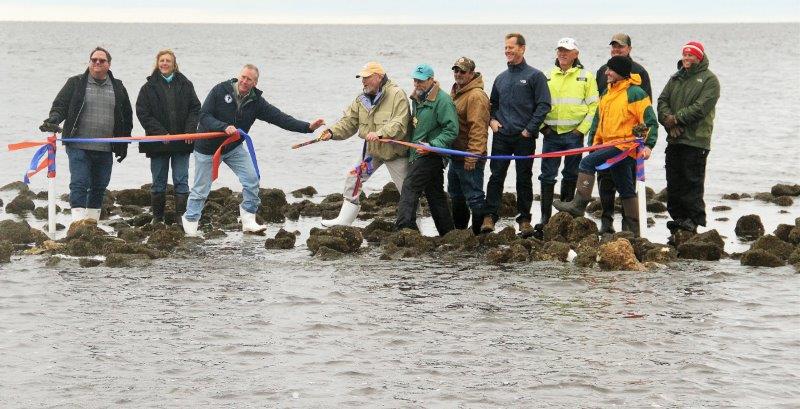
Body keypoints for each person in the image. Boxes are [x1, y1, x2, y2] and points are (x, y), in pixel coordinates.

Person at [182, 64, 325, 236]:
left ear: (255, 83)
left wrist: (308, 127)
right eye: (243, 77)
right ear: (238, 76)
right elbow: (204, 116)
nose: (244, 81)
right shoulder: (220, 90)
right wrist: (223, 126)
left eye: (249, 79)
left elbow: (280, 118)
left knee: (252, 179)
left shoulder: (256, 102)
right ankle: (190, 220)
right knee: (201, 188)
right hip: (208, 148)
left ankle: (248, 219)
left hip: (233, 147)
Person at [553, 56, 657, 238]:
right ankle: (635, 232)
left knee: (586, 163)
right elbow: (599, 123)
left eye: (611, 70)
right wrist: (595, 145)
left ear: (621, 72)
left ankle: (578, 204)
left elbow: (650, 121)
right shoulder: (606, 94)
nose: (607, 73)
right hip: (608, 145)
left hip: (624, 147)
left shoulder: (636, 93)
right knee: (625, 188)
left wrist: (648, 145)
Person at [39, 46, 132, 223]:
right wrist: (53, 120)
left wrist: (123, 145)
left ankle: (91, 224)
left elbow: (126, 117)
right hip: (77, 144)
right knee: (79, 183)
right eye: (94, 60)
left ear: (109, 64)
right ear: (89, 62)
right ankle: (77, 223)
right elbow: (60, 106)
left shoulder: (118, 86)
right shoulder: (75, 83)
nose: (97, 62)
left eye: (102, 60)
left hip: (106, 147)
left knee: (100, 185)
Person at [318, 61, 411, 226]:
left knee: (408, 190)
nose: (363, 81)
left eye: (366, 77)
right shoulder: (361, 99)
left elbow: (400, 123)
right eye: (362, 78)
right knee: (354, 177)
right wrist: (332, 132)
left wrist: (381, 133)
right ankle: (343, 222)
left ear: (378, 77)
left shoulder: (397, 94)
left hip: (395, 152)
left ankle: (415, 225)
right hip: (372, 152)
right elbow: (349, 122)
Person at [484, 33, 552, 236]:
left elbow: (544, 105)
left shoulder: (535, 76)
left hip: (524, 137)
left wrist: (529, 129)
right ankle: (490, 217)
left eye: (511, 47)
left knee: (524, 178)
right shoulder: (501, 78)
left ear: (522, 48)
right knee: (496, 176)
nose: (507, 51)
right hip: (502, 136)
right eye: (506, 47)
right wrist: (492, 121)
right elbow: (492, 104)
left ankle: (524, 219)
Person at [534, 37, 599, 239]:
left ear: (575, 54)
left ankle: (565, 216)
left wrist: (581, 130)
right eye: (560, 50)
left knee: (571, 175)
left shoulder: (586, 77)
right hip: (551, 134)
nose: (562, 54)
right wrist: (543, 128)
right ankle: (545, 218)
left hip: (574, 135)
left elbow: (594, 107)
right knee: (547, 176)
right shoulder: (546, 75)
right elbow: (537, 104)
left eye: (567, 50)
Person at [658, 41, 720, 234]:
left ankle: (694, 220)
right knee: (674, 181)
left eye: (691, 55)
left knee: (692, 181)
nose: (686, 58)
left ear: (699, 57)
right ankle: (678, 219)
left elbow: (701, 107)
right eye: (685, 54)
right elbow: (662, 101)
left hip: (696, 140)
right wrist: (668, 122)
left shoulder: (710, 80)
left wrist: (676, 119)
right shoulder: (675, 78)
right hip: (674, 138)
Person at [595, 33, 652, 234]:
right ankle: (606, 221)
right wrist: (595, 137)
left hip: (627, 143)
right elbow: (600, 108)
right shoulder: (603, 71)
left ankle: (630, 225)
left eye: (620, 46)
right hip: (605, 138)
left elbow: (645, 109)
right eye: (613, 46)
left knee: (627, 182)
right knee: (604, 180)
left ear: (629, 48)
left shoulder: (639, 72)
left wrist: (645, 142)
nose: (616, 49)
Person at [135, 49, 201, 224]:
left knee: (181, 180)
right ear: (157, 63)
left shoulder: (186, 84)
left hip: (182, 142)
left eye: (168, 61)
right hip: (158, 143)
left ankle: (181, 219)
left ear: (174, 64)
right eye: (162, 60)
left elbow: (195, 108)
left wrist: (190, 130)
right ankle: (157, 219)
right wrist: (160, 133)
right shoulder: (148, 88)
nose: (164, 63)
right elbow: (143, 113)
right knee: (158, 182)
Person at [394, 64, 458, 236]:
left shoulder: (443, 100)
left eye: (421, 81)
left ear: (431, 80)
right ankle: (448, 233)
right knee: (435, 194)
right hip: (417, 153)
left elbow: (451, 130)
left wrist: (432, 145)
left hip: (432, 154)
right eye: (415, 80)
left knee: (410, 185)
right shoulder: (417, 99)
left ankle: (404, 227)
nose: (417, 84)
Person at [448, 57, 490, 235]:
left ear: (471, 74)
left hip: (469, 156)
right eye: (456, 70)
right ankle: (461, 233)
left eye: (462, 71)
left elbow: (478, 128)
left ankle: (478, 235)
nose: (458, 74)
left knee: (474, 197)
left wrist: (473, 155)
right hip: (455, 155)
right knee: (456, 196)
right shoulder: (457, 92)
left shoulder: (476, 96)